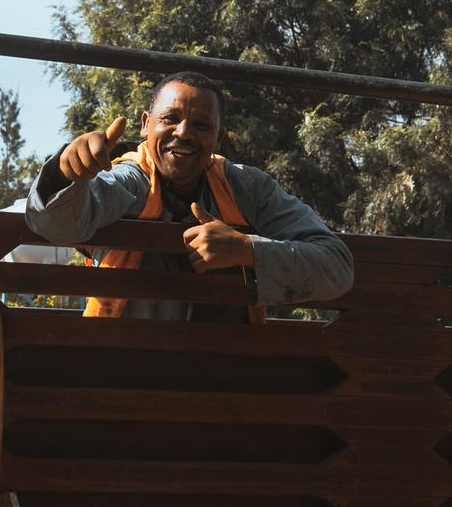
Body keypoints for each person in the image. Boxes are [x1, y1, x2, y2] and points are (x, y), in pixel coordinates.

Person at [25, 71, 354, 322]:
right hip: (121, 375)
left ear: (218, 138)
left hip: (230, 384)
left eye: (200, 125)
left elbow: (336, 268)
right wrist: (67, 173)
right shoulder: (128, 179)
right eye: (170, 119)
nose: (182, 132)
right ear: (144, 125)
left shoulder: (250, 189)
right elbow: (52, 224)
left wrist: (247, 249)